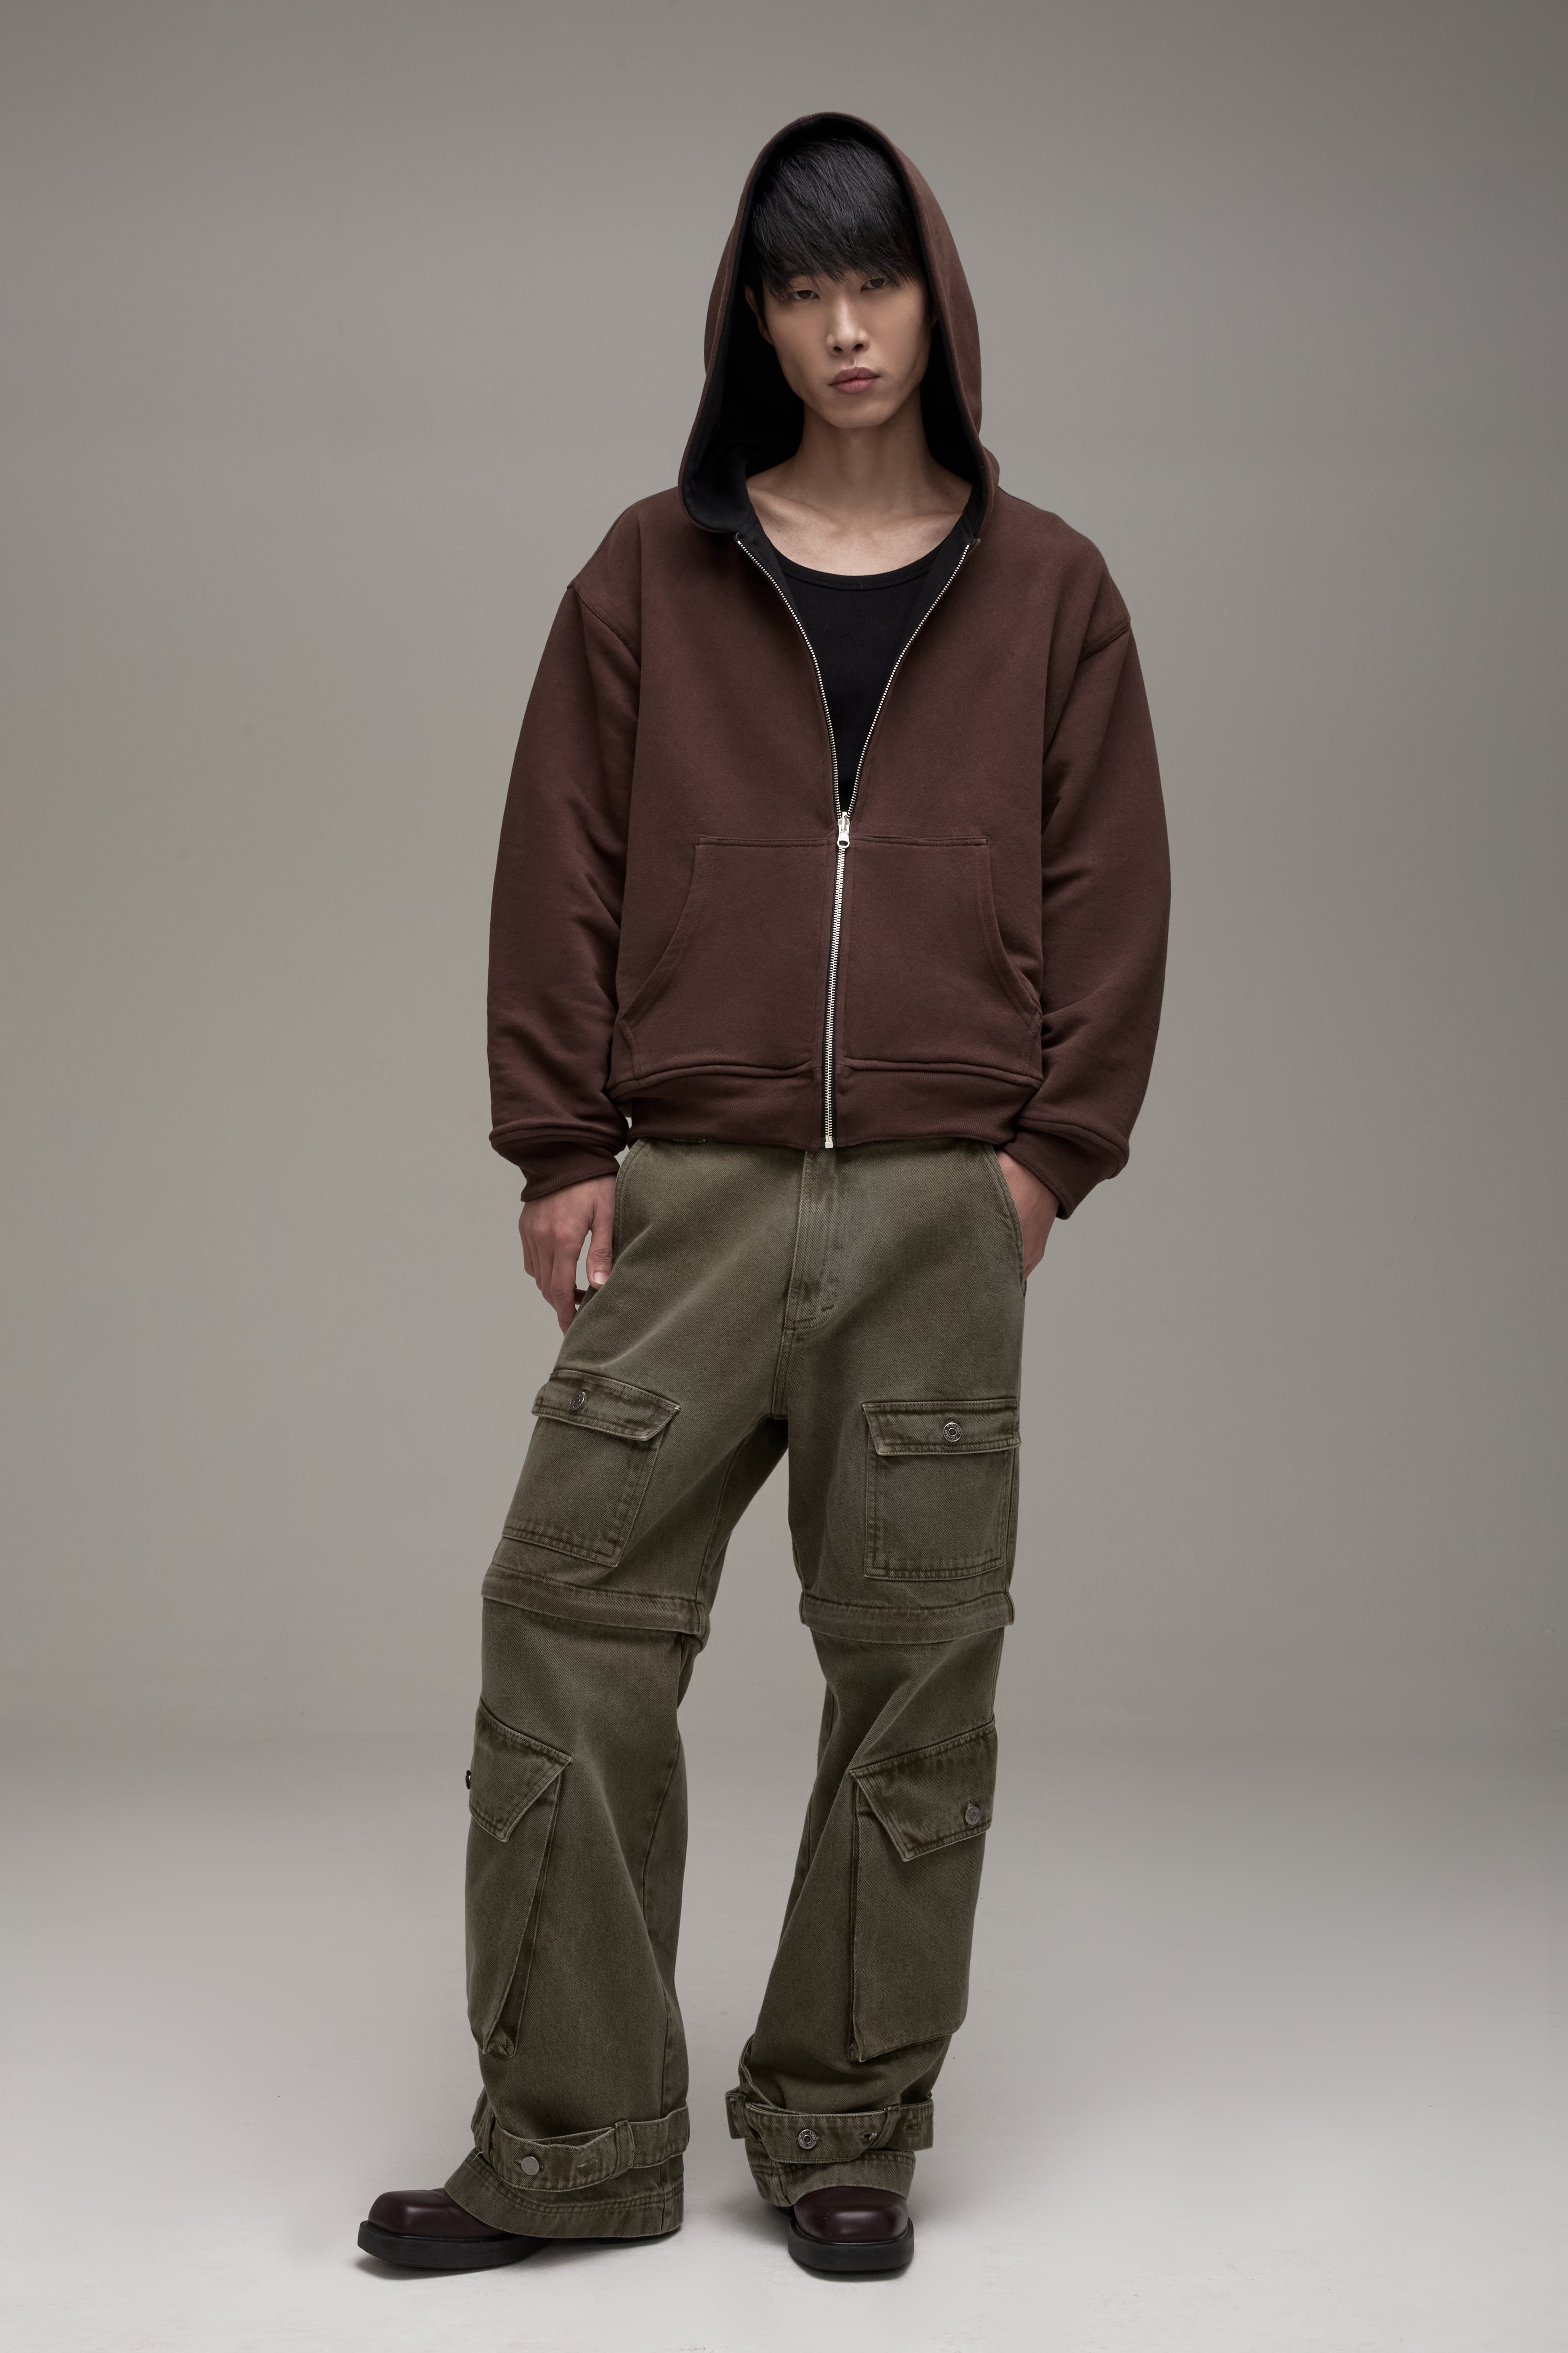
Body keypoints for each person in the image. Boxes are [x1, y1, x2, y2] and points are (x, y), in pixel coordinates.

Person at [359, 111, 1168, 2282]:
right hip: (694, 1195)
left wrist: (1043, 1161)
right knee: (566, 1619)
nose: (844, 329)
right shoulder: (650, 569)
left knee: (916, 1665)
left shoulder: (1053, 590)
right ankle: (572, 2142)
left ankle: (844, 2124)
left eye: (874, 281)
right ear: (754, 319)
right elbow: (560, 854)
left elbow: (1111, 887)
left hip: (935, 1207)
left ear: (937, 300)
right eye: (801, 290)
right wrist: (561, 1144)